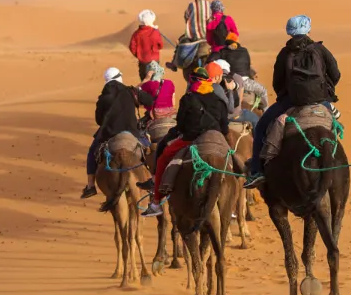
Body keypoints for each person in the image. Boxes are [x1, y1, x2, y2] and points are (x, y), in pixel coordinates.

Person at [243, 15, 341, 189]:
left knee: (260, 128)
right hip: (320, 100)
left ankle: (257, 172)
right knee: (335, 123)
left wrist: (288, 96)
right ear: (308, 29)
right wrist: (324, 93)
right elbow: (335, 74)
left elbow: (277, 82)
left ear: (289, 32)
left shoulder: (284, 53)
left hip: (291, 102)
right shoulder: (320, 49)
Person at [142, 67, 229, 217]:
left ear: (192, 81)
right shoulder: (218, 99)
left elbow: (181, 125)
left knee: (163, 157)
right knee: (234, 158)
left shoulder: (188, 98)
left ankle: (156, 202)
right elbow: (224, 127)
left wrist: (175, 134)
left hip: (191, 138)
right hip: (216, 136)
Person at [81, 67, 154, 200]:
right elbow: (150, 100)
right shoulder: (131, 91)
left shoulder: (103, 97)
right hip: (132, 132)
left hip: (108, 133)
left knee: (92, 152)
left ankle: (90, 186)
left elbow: (99, 120)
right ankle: (154, 179)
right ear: (120, 77)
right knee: (149, 148)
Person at [129, 10, 165, 80]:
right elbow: (161, 45)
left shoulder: (136, 33)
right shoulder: (155, 32)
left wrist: (139, 55)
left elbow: (132, 47)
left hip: (143, 62)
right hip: (155, 61)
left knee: (144, 83)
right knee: (155, 83)